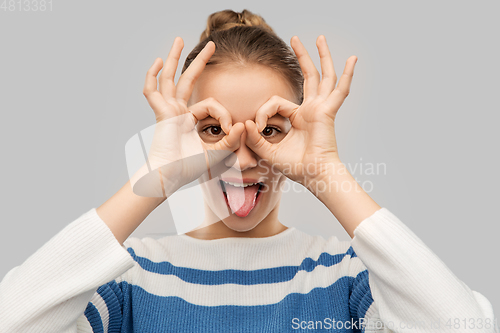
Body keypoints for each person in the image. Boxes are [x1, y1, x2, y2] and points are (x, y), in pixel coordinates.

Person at [0, 9, 497, 333]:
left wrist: (327, 172)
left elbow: (467, 328)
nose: (242, 160)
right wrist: (156, 175)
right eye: (213, 131)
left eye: (272, 132)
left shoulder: (346, 279)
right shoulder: (134, 280)